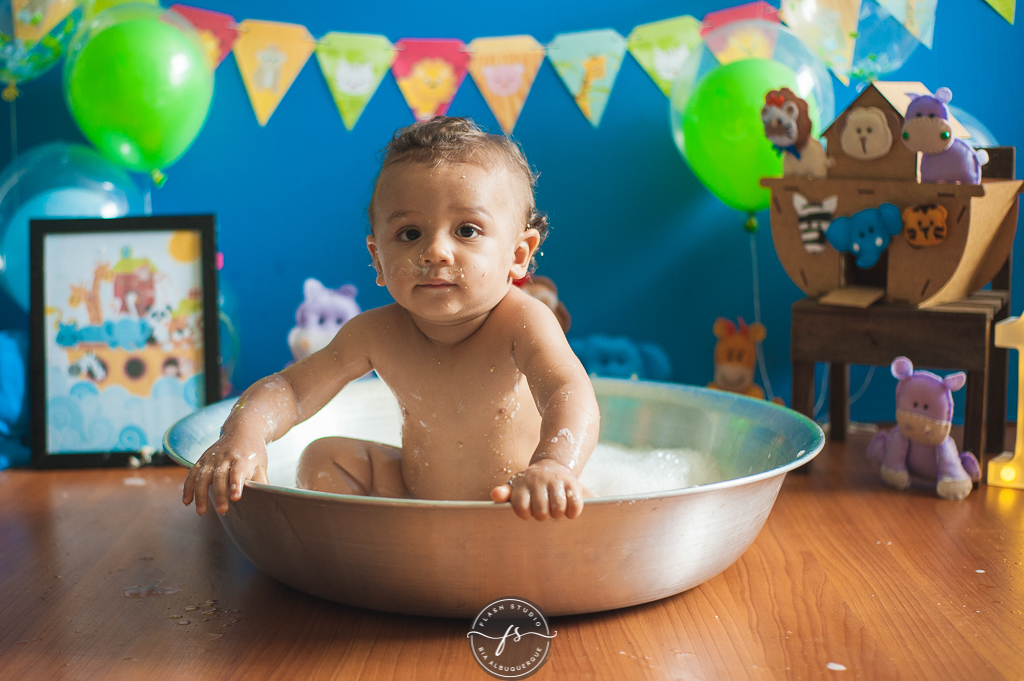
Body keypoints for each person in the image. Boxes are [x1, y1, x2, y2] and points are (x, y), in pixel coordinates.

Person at [182, 117, 600, 521]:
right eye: (410, 233)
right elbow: (290, 389)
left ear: (518, 255)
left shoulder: (523, 322)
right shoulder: (376, 333)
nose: (435, 252)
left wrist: (553, 465)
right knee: (323, 459)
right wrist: (244, 434)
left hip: (516, 502)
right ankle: (371, 551)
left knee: (573, 506)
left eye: (467, 231)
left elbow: (568, 391)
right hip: (413, 497)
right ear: (378, 259)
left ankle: (549, 490)